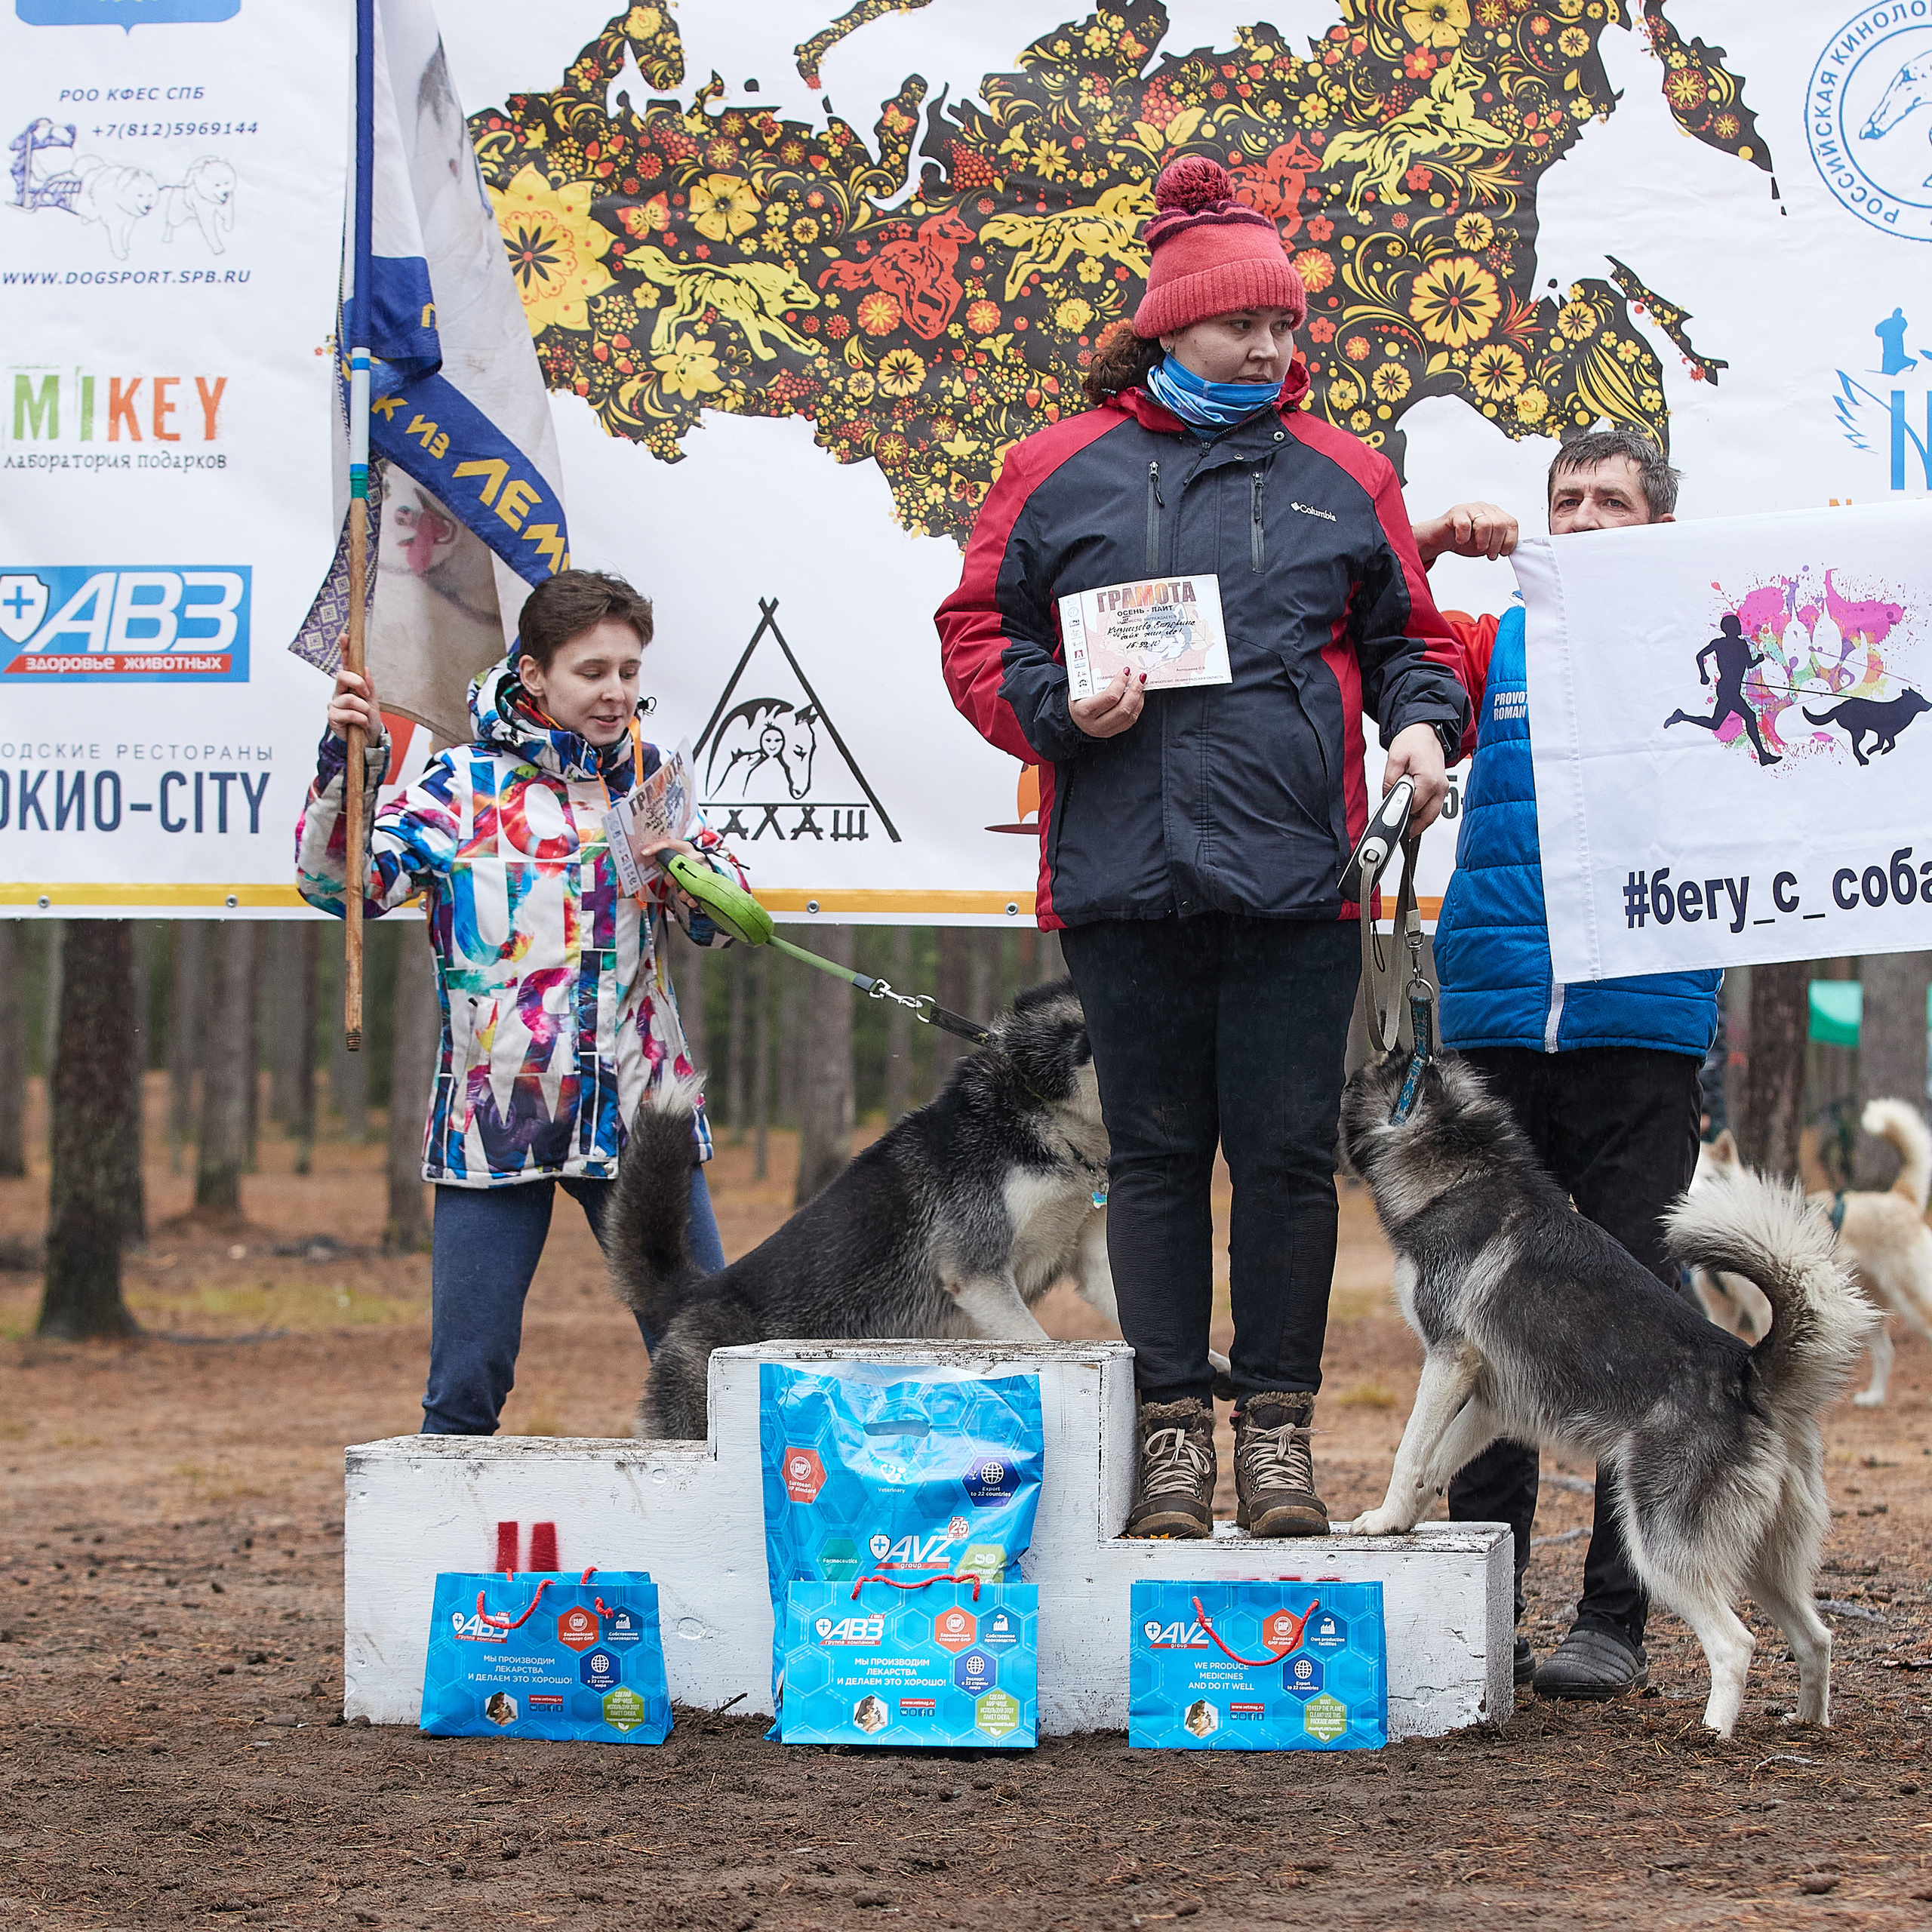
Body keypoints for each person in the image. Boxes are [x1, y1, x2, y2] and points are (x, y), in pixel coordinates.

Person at [937, 155, 1469, 1540]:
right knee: (1159, 1161)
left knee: (1290, 1162)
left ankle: (1279, 1441)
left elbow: (1410, 641)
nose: (1274, 346)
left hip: (1302, 883)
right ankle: (1173, 1437)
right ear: (1172, 323)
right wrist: (1060, 706)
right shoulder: (1058, 467)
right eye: (1247, 325)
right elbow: (977, 632)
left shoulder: (1346, 473)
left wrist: (1423, 731)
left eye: (1289, 326)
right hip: (1127, 879)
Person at [1414, 426, 1721, 1698]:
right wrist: (1431, 550)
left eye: (1612, 501)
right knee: (1488, 1307)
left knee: (1627, 1314)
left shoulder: (1711, 644)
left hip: (1641, 1023)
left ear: (1658, 526)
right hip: (1494, 1012)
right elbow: (1402, 655)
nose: (1585, 518)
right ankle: (1484, 1596)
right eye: (1566, 500)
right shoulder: (1500, 645)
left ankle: (1615, 1615)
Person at [296, 568, 743, 1435]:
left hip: (639, 1116)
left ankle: (731, 1561)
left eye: (628, 671)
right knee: (466, 1385)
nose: (615, 693)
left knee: (711, 1368)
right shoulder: (460, 786)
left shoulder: (651, 781)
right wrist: (347, 769)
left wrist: (686, 869)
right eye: (592, 672)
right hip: (496, 1119)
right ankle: (441, 1564)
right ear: (534, 675)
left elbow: (722, 926)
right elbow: (337, 885)